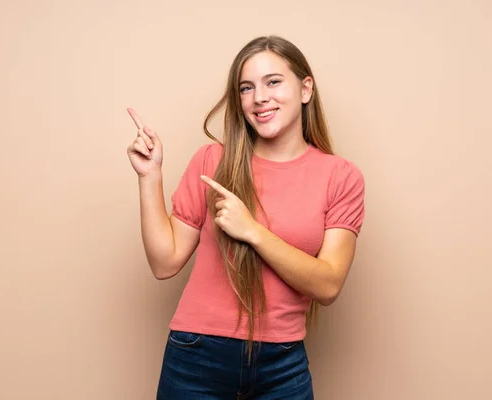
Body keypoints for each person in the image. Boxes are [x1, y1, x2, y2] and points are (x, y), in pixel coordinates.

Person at [126, 35, 365, 399]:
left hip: (283, 364)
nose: (259, 97)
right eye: (246, 87)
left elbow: (328, 285)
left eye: (273, 82)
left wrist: (252, 231)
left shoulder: (341, 176)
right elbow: (164, 262)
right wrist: (149, 177)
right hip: (195, 356)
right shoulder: (212, 161)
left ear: (305, 89)